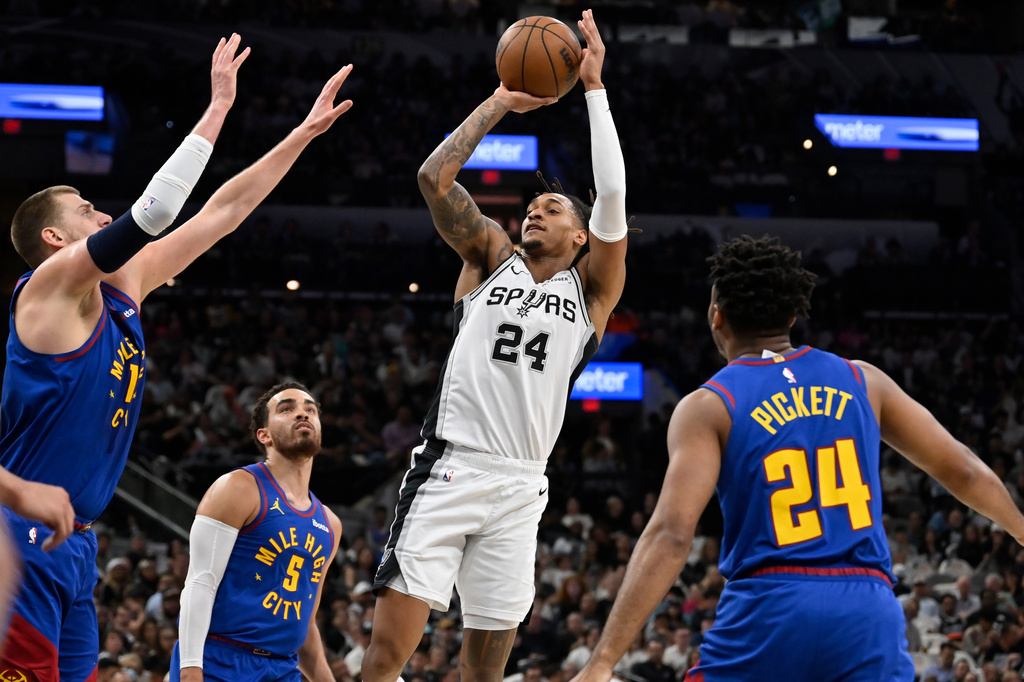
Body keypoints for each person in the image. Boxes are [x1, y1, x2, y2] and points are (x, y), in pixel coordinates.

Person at [0, 32, 355, 680]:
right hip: (16, 532)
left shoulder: (124, 286)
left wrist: (302, 135)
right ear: (53, 236)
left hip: (76, 541)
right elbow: (157, 209)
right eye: (86, 210)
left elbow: (227, 210)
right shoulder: (46, 290)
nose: (101, 214)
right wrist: (217, 108)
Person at [571, 235, 1024, 682]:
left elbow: (672, 534)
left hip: (770, 605)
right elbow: (964, 470)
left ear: (716, 315)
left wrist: (603, 660)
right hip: (866, 608)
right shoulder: (863, 380)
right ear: (792, 315)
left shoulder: (709, 405)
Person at [362, 10, 628, 682]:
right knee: (387, 657)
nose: (535, 210)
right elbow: (434, 179)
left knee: (484, 670)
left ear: (582, 237)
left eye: (553, 209)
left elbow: (613, 194)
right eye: (531, 208)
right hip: (450, 467)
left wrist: (594, 89)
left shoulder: (592, 293)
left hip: (522, 484)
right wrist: (500, 102)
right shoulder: (489, 258)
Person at [172, 382, 341, 681]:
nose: (302, 413)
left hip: (282, 668)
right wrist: (190, 669)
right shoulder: (237, 487)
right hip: (220, 660)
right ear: (264, 435)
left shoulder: (330, 524)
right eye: (286, 409)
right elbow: (201, 583)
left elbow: (306, 622)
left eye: (310, 410)